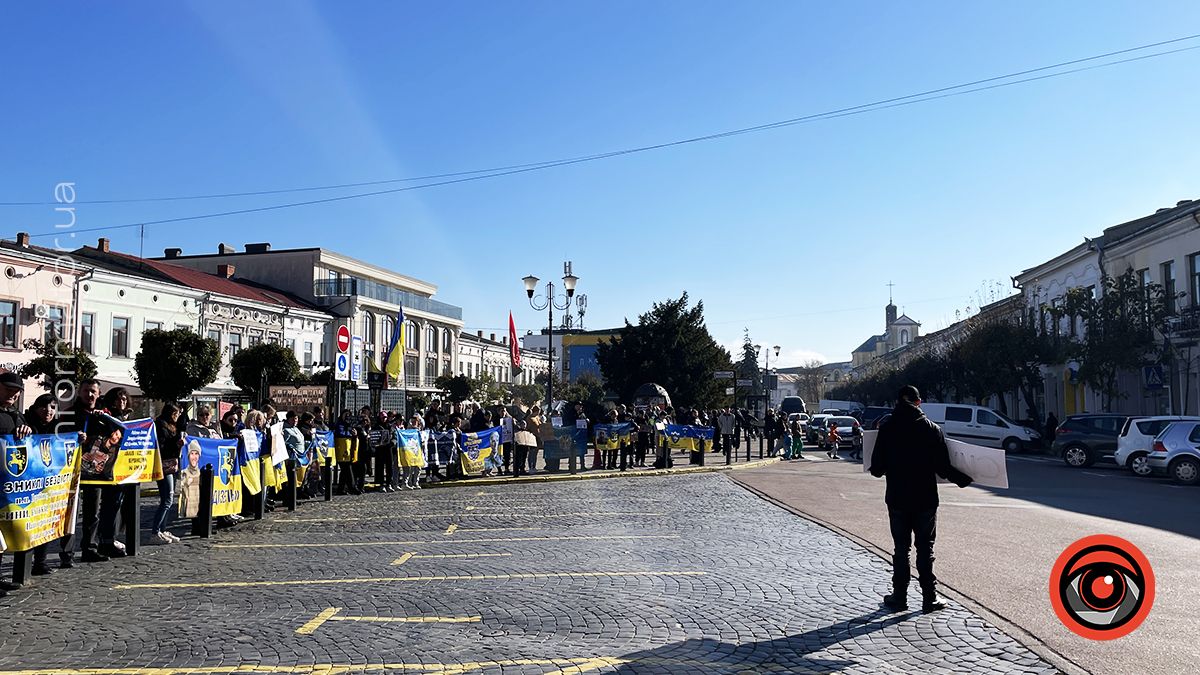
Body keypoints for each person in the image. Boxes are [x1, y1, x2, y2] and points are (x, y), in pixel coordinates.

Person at [869, 385, 973, 614]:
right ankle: (929, 598)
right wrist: (965, 479)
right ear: (918, 402)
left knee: (900, 548)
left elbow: (876, 469)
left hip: (897, 497)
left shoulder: (887, 428)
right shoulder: (931, 429)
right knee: (925, 548)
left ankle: (899, 597)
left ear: (898, 401)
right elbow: (943, 468)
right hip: (925, 497)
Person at [0, 373, 33, 593]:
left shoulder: (18, 416)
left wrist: (28, 433)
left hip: (9, 486)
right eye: (7, 388)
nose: (12, 393)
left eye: (16, 390)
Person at [23, 393, 59, 575]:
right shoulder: (25, 421)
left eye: (52, 407)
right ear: (36, 407)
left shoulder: (56, 427)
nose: (48, 410)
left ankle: (41, 562)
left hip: (47, 483)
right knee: (27, 523)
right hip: (27, 483)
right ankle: (23, 567)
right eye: (44, 406)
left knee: (45, 521)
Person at [151, 403, 185, 544]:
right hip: (163, 464)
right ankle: (156, 531)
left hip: (170, 464)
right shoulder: (160, 425)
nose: (177, 417)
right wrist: (175, 444)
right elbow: (162, 446)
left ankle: (162, 530)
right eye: (175, 414)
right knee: (167, 499)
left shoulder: (171, 426)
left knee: (168, 499)